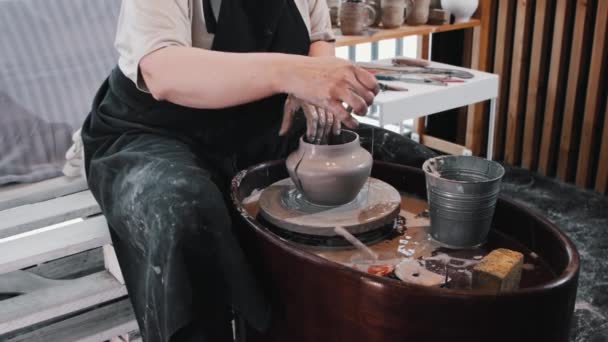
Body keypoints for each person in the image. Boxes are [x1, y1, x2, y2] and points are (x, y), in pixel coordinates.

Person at [81, 0, 380, 341]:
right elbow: (162, 71)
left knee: (397, 158)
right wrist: (293, 73)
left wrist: (316, 82)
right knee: (185, 208)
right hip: (154, 130)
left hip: (263, 122)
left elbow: (319, 38)